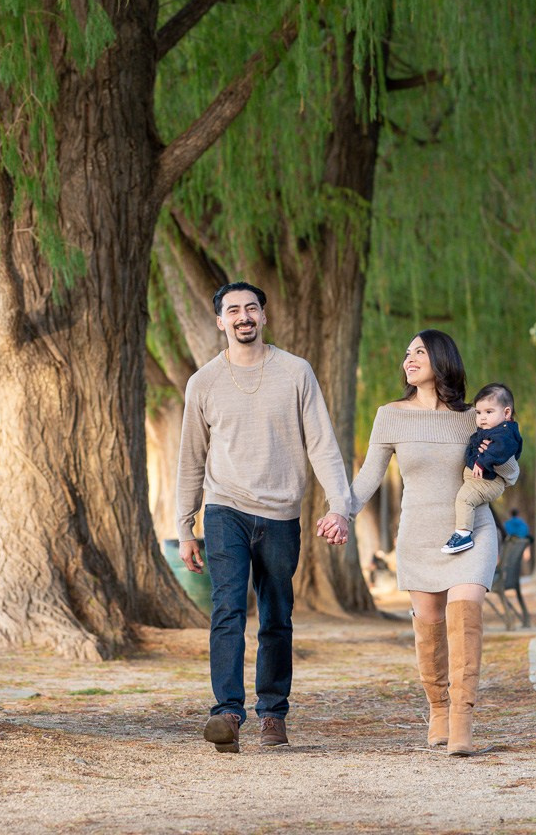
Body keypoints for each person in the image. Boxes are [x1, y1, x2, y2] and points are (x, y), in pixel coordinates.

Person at [321, 329, 518, 757]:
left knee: (464, 611)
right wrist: (341, 511)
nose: (408, 359)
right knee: (429, 627)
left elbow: (507, 468)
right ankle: (440, 709)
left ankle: (464, 718)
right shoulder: (389, 415)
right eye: (407, 353)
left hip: (471, 530)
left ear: (442, 359)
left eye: (420, 352)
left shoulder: (472, 418)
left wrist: (496, 465)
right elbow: (369, 476)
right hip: (419, 534)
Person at [176, 281, 352, 755]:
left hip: (280, 512)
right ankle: (227, 714)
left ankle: (273, 713)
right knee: (227, 608)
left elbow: (322, 443)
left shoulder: (295, 372)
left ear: (263, 316)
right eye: (233, 310)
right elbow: (191, 459)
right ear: (220, 322)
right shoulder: (204, 383)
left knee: (277, 614)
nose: (243, 316)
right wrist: (183, 526)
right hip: (223, 508)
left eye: (251, 308)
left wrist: (341, 505)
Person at [440, 382, 522, 555]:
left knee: (465, 499)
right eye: (478, 412)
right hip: (480, 480)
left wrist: (481, 461)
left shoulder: (505, 433)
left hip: (489, 481)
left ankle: (463, 535)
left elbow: (501, 451)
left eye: (489, 412)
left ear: (506, 413)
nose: (482, 418)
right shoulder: (491, 429)